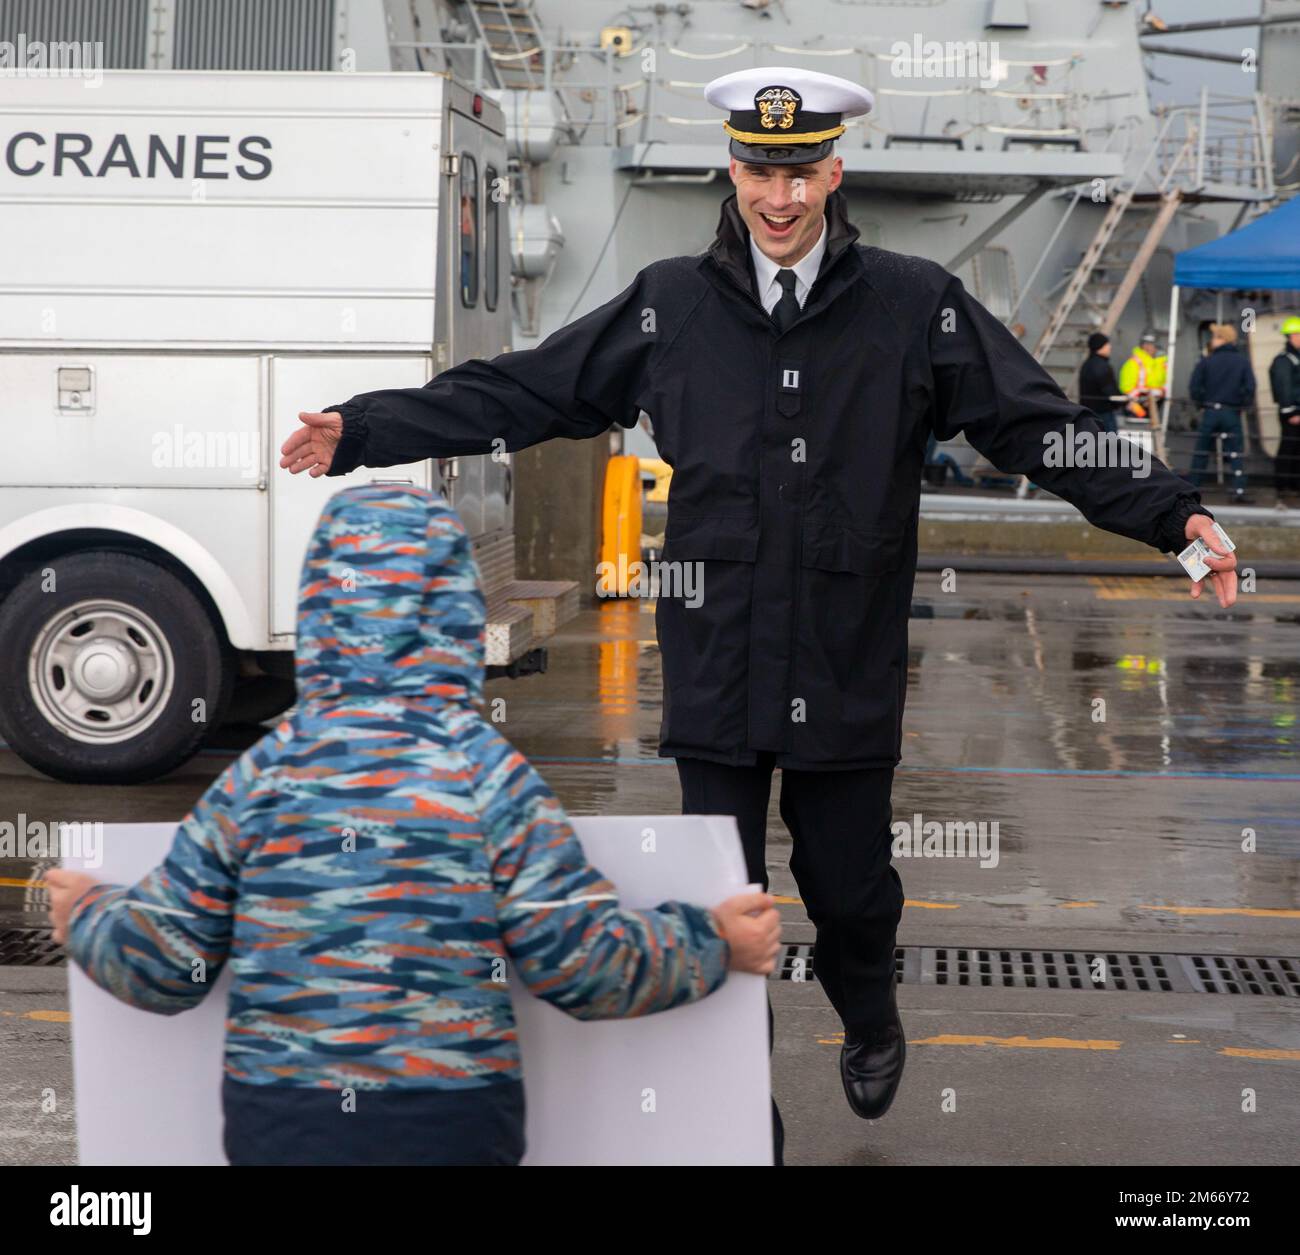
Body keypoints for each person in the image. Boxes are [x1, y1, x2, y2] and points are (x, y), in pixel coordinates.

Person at [278, 67, 1237, 1150]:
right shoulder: (668, 304)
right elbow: (526, 389)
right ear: (729, 171)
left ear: (833, 171)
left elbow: (1035, 427)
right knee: (719, 907)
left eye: (798, 171)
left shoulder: (912, 305)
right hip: (717, 664)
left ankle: (866, 1007)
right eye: (755, 170)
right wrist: (364, 429)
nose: (776, 197)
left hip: (841, 662)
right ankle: (741, 1104)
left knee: (850, 890)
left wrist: (1175, 516)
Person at [47, 485, 780, 1167]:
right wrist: (714, 939)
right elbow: (581, 963)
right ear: (456, 612)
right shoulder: (485, 771)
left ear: (317, 611)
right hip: (451, 1121)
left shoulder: (263, 775)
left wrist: (85, 912)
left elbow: (166, 960)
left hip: (284, 1123)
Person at [1188, 323, 1257, 504]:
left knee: (1202, 451)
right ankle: (1238, 490)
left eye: (1215, 337)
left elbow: (1195, 387)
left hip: (1210, 411)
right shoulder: (1242, 362)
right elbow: (1250, 387)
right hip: (1231, 412)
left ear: (1222, 339)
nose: (1212, 340)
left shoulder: (1206, 361)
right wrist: (1242, 405)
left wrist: (1201, 403)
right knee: (1236, 452)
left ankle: (1193, 490)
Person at [1268, 315, 1300, 502]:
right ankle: (1283, 486)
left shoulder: (1294, 358)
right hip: (1292, 413)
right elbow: (1284, 386)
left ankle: (1294, 485)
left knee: (1296, 451)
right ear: (1292, 336)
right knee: (1288, 448)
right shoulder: (1284, 360)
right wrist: (1291, 413)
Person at [1118, 329, 1168, 421]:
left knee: (1153, 427)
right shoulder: (1133, 363)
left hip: (1155, 406)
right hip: (1137, 407)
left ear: (1156, 346)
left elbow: (1165, 384)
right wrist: (1144, 397)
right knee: (1140, 426)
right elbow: (1126, 388)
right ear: (1141, 346)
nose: (1148, 347)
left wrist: (1159, 394)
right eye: (1145, 344)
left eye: (1151, 344)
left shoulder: (1161, 364)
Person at [1079, 331, 1121, 433]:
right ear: (1100, 346)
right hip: (1103, 414)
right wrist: (1124, 401)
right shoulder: (1101, 366)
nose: (1110, 347)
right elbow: (1110, 390)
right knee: (1109, 446)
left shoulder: (1087, 364)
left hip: (1088, 414)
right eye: (1107, 344)